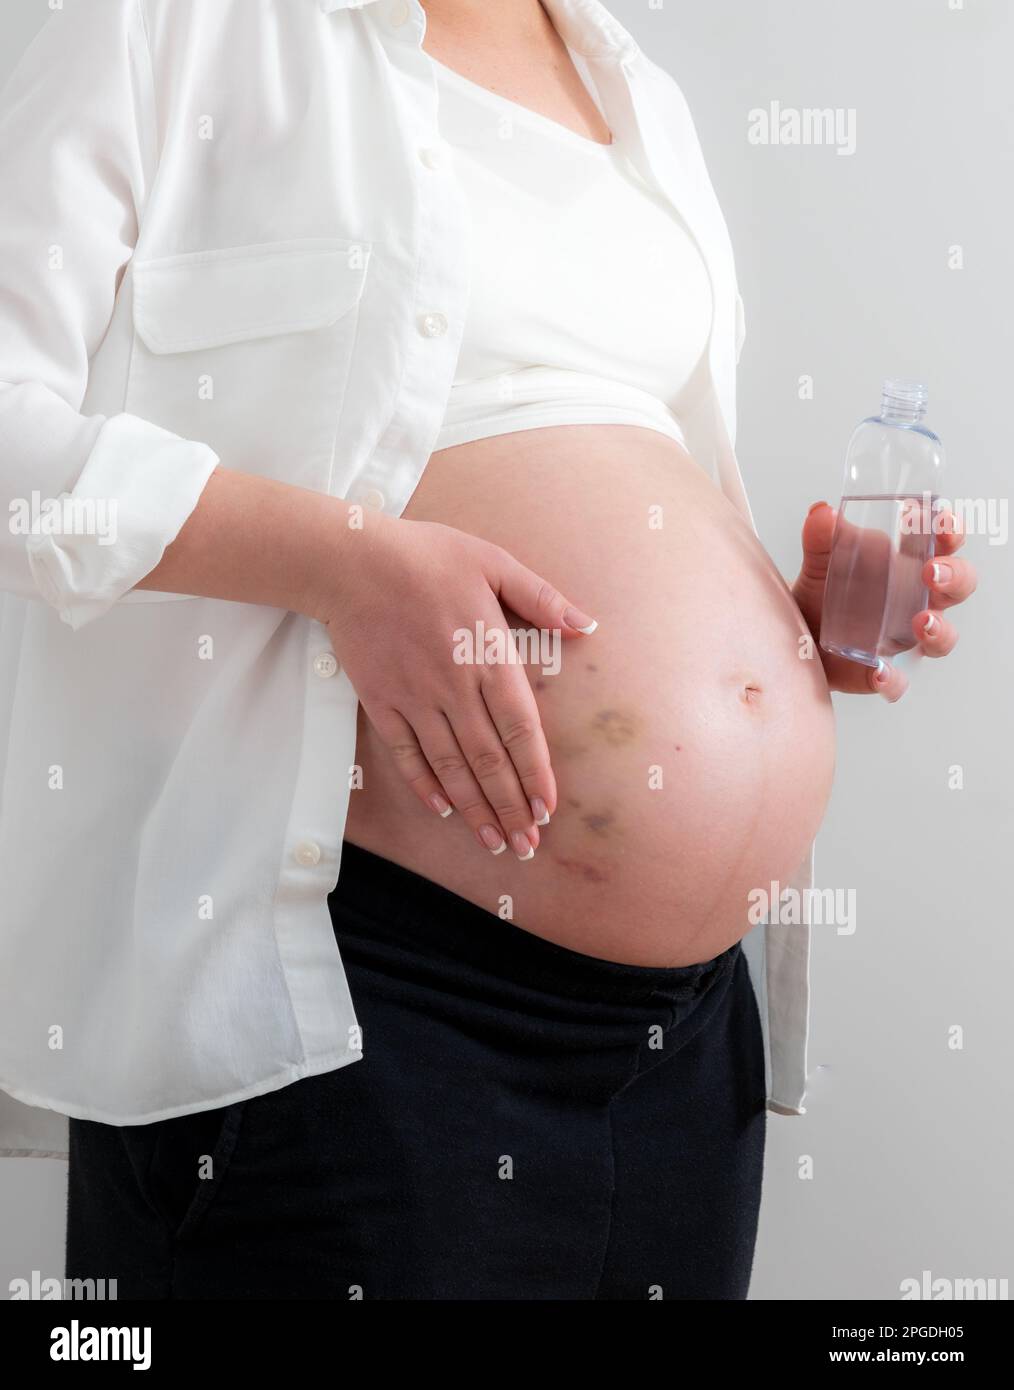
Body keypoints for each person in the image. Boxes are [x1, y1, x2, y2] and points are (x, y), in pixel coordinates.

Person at [0, 0, 976, 1299]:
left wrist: (780, 637)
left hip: (686, 1042)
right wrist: (341, 564)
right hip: (372, 997)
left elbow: (613, 467)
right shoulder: (168, 21)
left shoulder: (634, 88)